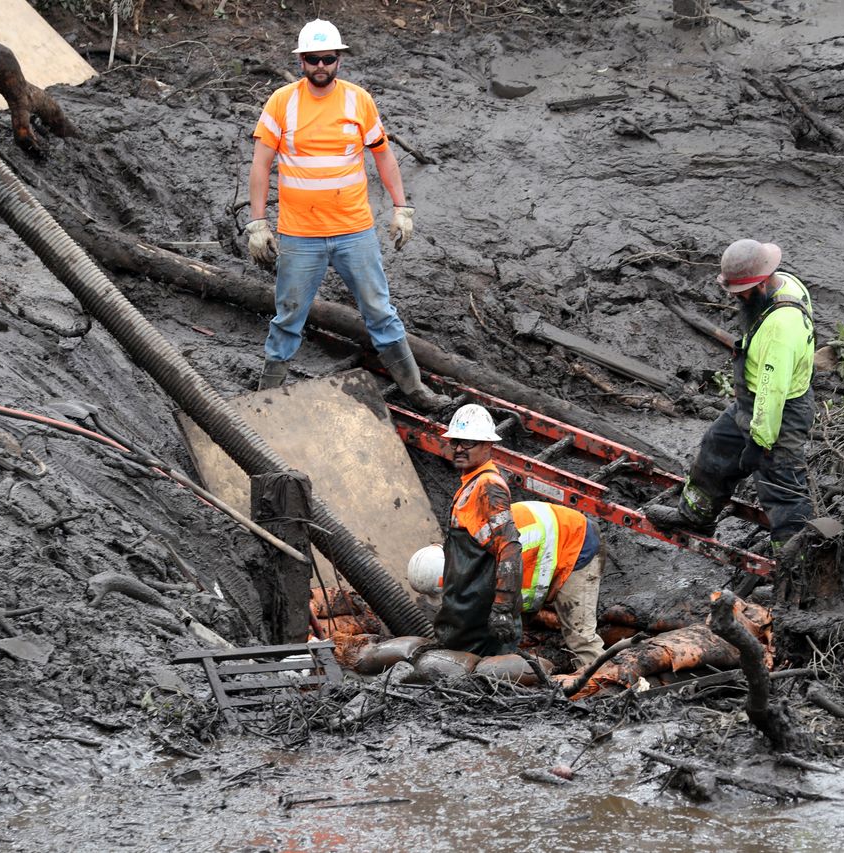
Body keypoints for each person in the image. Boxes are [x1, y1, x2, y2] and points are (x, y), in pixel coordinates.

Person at [244, 19, 448, 410]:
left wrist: (402, 207)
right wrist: (257, 223)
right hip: (300, 235)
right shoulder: (282, 102)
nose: (320, 65)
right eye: (312, 59)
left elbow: (383, 155)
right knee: (288, 316)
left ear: (339, 59)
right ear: (301, 61)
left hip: (354, 231)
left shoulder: (358, 101)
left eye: (328, 58)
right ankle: (266, 397)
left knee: (379, 310)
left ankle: (415, 390)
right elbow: (260, 165)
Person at [647, 238, 815, 550]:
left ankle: (794, 569)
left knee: (782, 489)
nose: (738, 300)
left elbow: (772, 390)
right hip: (753, 402)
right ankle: (695, 515)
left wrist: (759, 442)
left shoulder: (781, 327)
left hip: (781, 412)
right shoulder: (787, 283)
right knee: (716, 446)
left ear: (762, 285)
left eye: (742, 294)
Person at [409, 500, 607, 668]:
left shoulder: (491, 558)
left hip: (577, 543)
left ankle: (603, 687)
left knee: (580, 637)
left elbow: (508, 605)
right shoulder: (465, 551)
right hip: (551, 541)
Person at [427, 403, 524, 656]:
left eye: (469, 442)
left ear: (488, 446)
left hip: (480, 618)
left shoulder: (489, 486)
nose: (459, 448)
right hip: (465, 612)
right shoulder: (470, 484)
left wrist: (502, 608)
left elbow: (510, 549)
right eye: (456, 441)